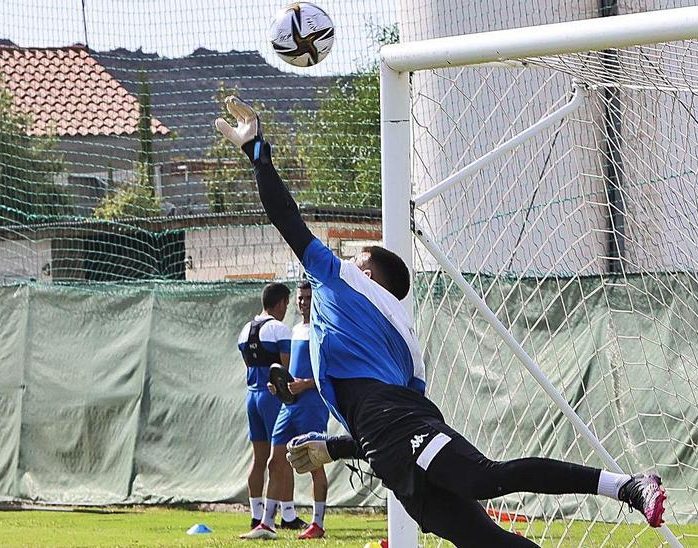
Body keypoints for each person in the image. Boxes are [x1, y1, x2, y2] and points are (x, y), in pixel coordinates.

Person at [215, 98, 667, 547]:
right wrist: (333, 447)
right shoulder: (393, 336)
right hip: (385, 439)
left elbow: (286, 219)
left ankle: (628, 486)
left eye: (356, 256)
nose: (346, 258)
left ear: (366, 274)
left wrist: (258, 153)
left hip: (391, 424)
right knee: (489, 542)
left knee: (485, 478)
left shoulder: (344, 282)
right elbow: (379, 418)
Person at [235, 282, 307, 540]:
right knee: (282, 456)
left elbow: (247, 362)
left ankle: (257, 514)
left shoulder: (246, 329)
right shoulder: (279, 329)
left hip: (251, 395)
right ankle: (287, 515)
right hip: (272, 396)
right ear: (279, 303)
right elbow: (284, 371)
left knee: (259, 458)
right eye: (287, 304)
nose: (287, 308)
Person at [268, 280, 329, 540]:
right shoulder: (294, 329)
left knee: (315, 463)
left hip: (313, 405)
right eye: (301, 298)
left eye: (308, 297)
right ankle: (266, 523)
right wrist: (280, 386)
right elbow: (292, 372)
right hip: (290, 405)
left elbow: (330, 375)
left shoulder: (324, 329)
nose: (303, 302)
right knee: (275, 460)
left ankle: (317, 524)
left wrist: (306, 384)